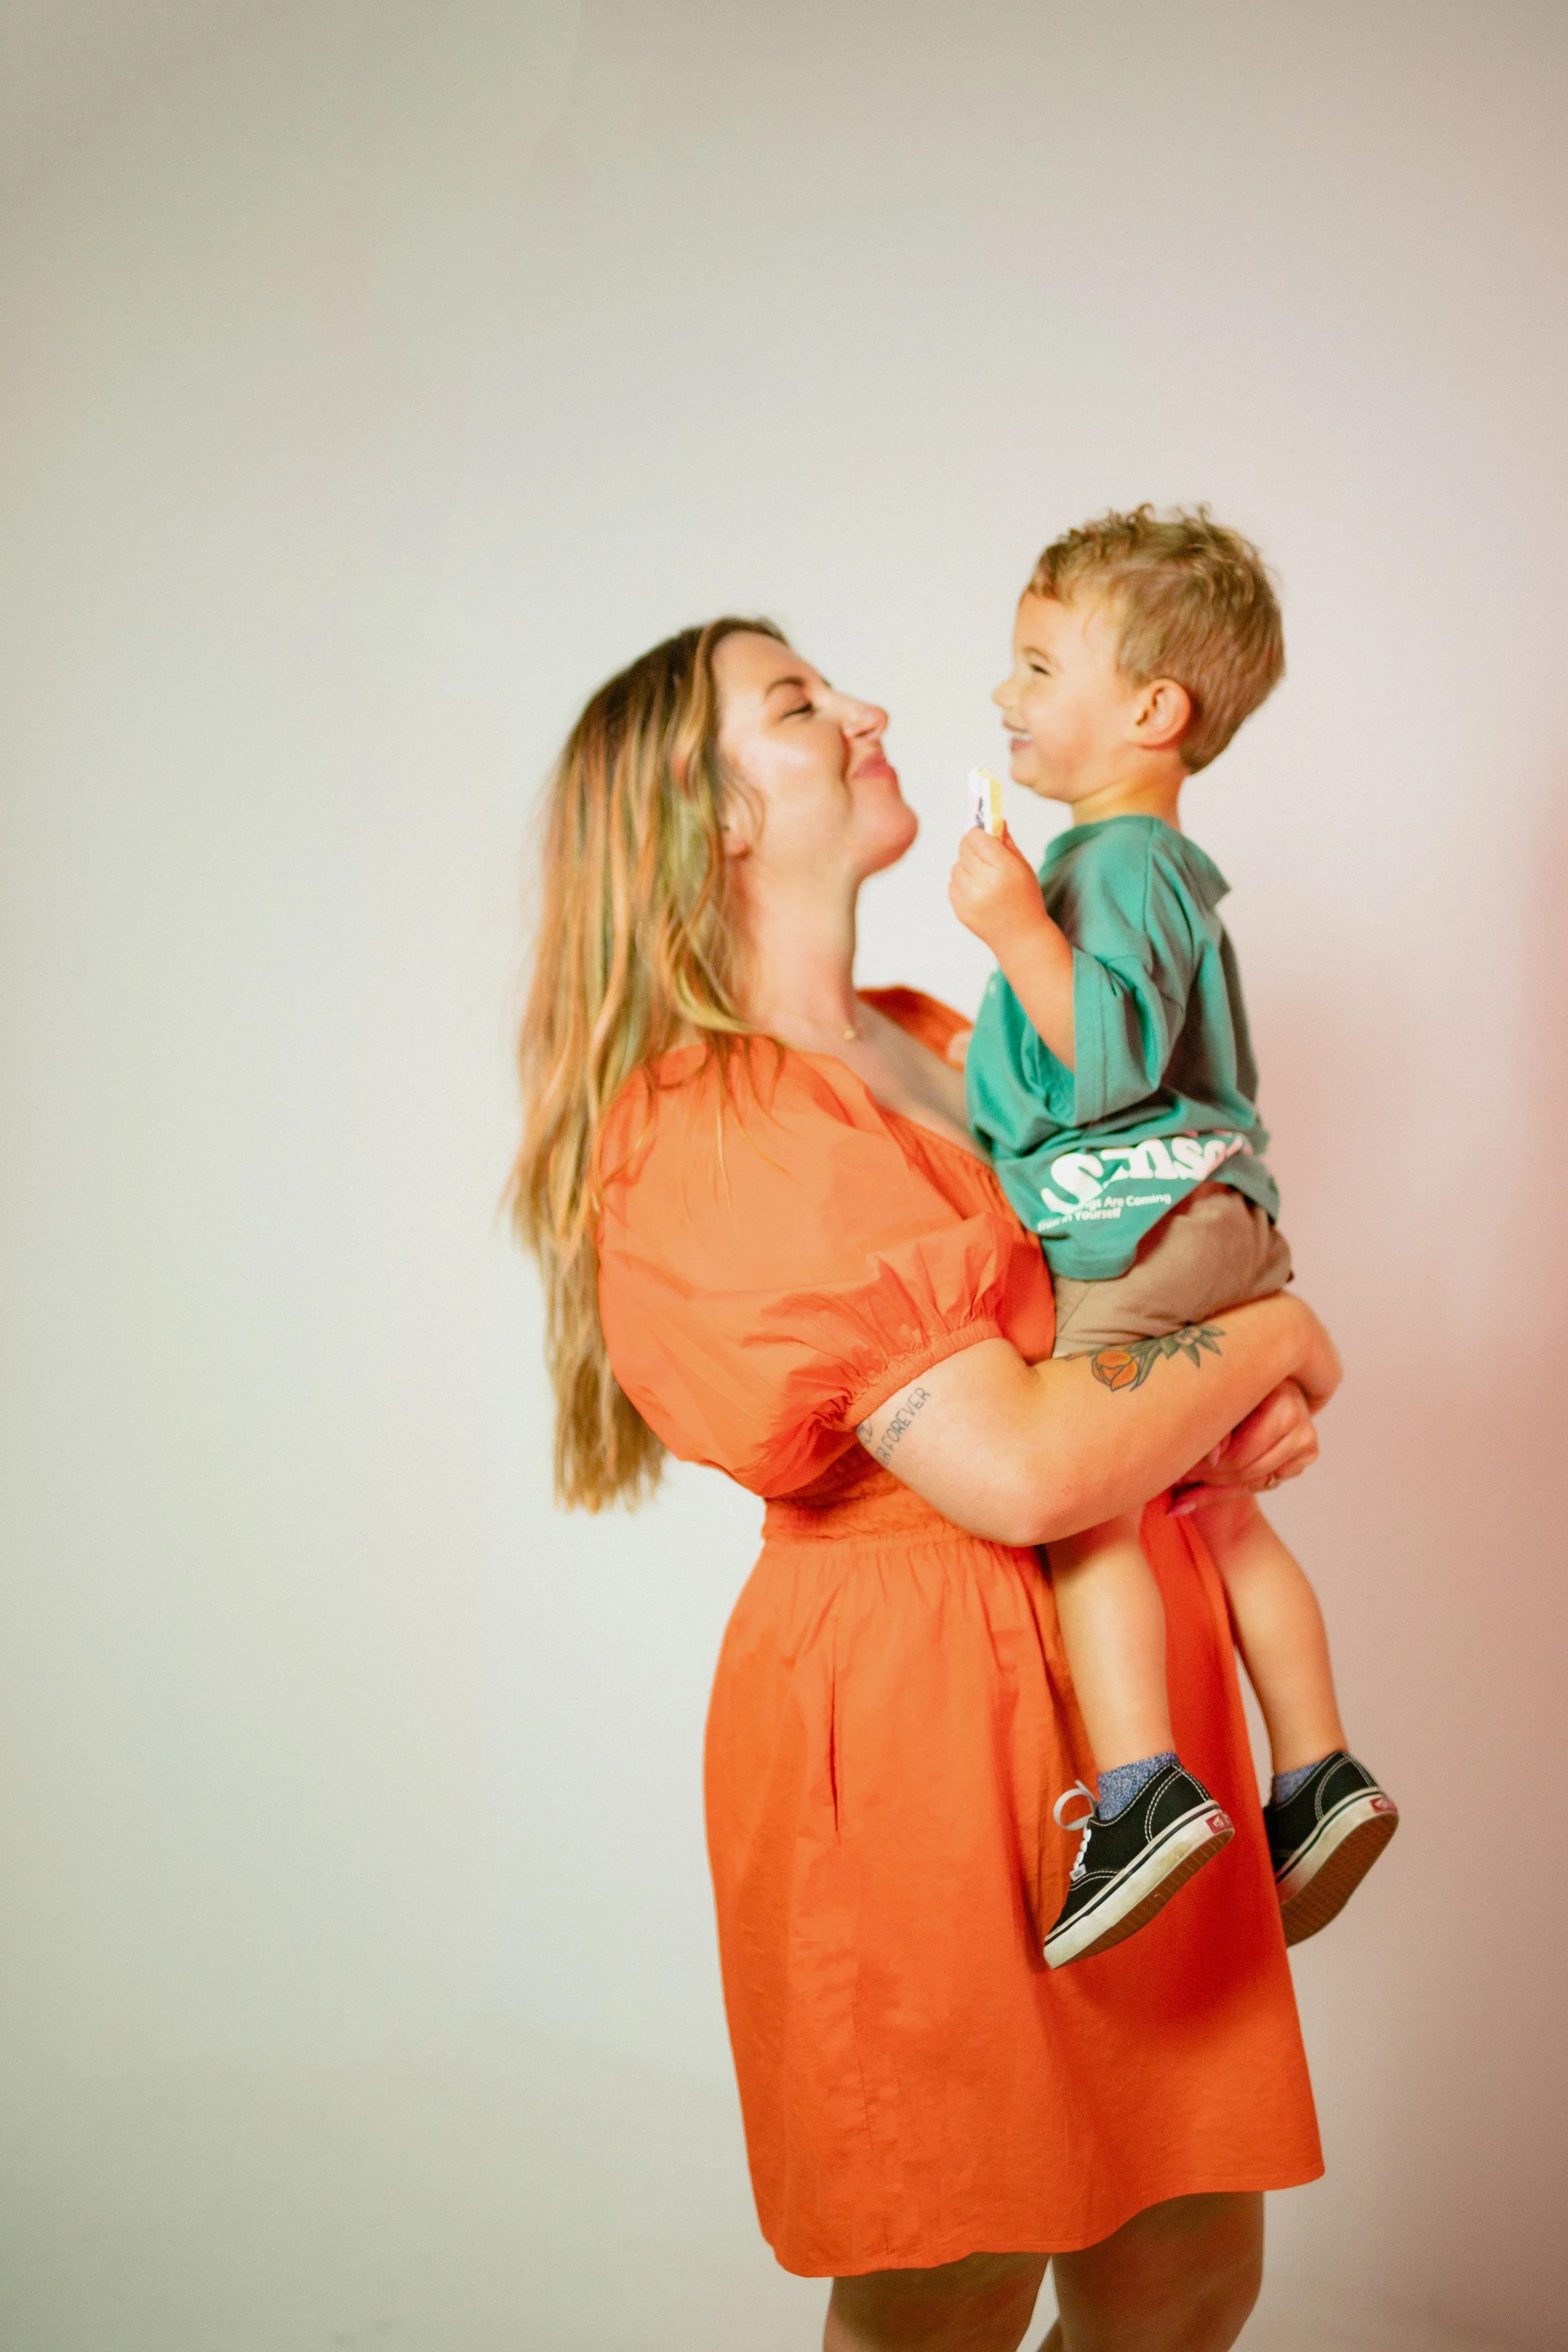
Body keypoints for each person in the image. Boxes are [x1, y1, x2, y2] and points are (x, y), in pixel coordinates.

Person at [512, 614, 1343, 2352]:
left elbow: (1111, 1337)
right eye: (799, 704)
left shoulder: (934, 1034)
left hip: (1120, 1693)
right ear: (714, 814)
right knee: (945, 2282)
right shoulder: (718, 1118)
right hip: (915, 1731)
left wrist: (1207, 1410)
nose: (871, 707)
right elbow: (1026, 1464)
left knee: (1187, 2269)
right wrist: (1268, 1342)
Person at [951, 508, 1396, 1971]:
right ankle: (1314, 1769)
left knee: (1087, 1511)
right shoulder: (1136, 871)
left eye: (1034, 665)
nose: (1003, 696)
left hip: (1143, 1226)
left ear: (1151, 712)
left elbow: (1107, 1063)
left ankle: (1139, 1793)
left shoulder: (1117, 865)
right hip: (1219, 1221)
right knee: (1216, 1509)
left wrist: (1014, 931)